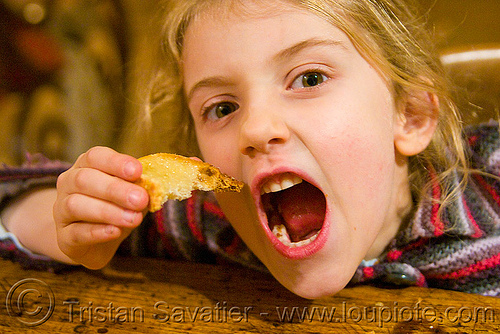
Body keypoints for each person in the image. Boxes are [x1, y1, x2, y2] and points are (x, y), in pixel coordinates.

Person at [1, 0, 499, 298]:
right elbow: (12, 212)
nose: (257, 129)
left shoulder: (490, 189)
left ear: (409, 115)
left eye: (308, 78)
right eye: (221, 108)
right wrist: (71, 222)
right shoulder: (213, 226)